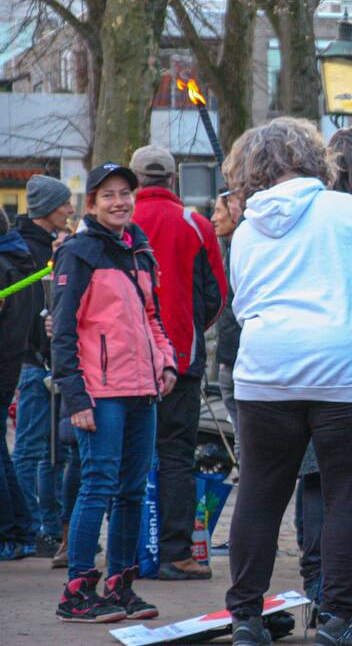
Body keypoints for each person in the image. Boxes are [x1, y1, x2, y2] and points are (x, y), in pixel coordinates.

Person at [221, 118, 352, 646]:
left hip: (267, 374)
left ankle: (246, 615)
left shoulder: (246, 229)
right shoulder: (350, 214)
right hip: (350, 374)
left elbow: (243, 306)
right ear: (317, 158)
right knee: (348, 496)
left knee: (259, 494)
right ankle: (339, 617)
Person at [51, 162, 178, 624]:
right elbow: (62, 333)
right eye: (108, 195)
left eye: (126, 193)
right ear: (92, 203)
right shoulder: (78, 253)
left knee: (130, 490)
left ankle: (121, 585)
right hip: (100, 394)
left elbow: (151, 318)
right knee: (98, 485)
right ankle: (77, 590)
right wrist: (77, 398)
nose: (119, 202)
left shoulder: (139, 252)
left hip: (142, 391)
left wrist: (166, 362)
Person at [129, 145, 226, 581]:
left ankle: (125, 554)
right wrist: (185, 330)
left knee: (121, 456)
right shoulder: (195, 223)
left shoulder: (116, 221)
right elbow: (217, 296)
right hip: (179, 360)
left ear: (133, 180)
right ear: (172, 180)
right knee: (176, 456)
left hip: (122, 363)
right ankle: (174, 553)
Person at [12, 175, 74, 559]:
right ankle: (32, 527)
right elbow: (30, 309)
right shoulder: (29, 252)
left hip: (46, 361)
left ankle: (49, 526)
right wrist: (40, 350)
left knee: (57, 452)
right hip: (36, 363)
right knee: (34, 448)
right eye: (65, 203)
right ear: (50, 208)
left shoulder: (44, 246)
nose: (70, 210)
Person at [0, 212, 39, 561]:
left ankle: (11, 533)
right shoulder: (16, 259)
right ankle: (21, 530)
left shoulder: (5, 266)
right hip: (10, 366)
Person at [211, 192, 241, 464]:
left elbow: (232, 308)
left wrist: (227, 358)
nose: (213, 218)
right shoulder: (230, 249)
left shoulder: (239, 250)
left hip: (236, 355)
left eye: (218, 211)